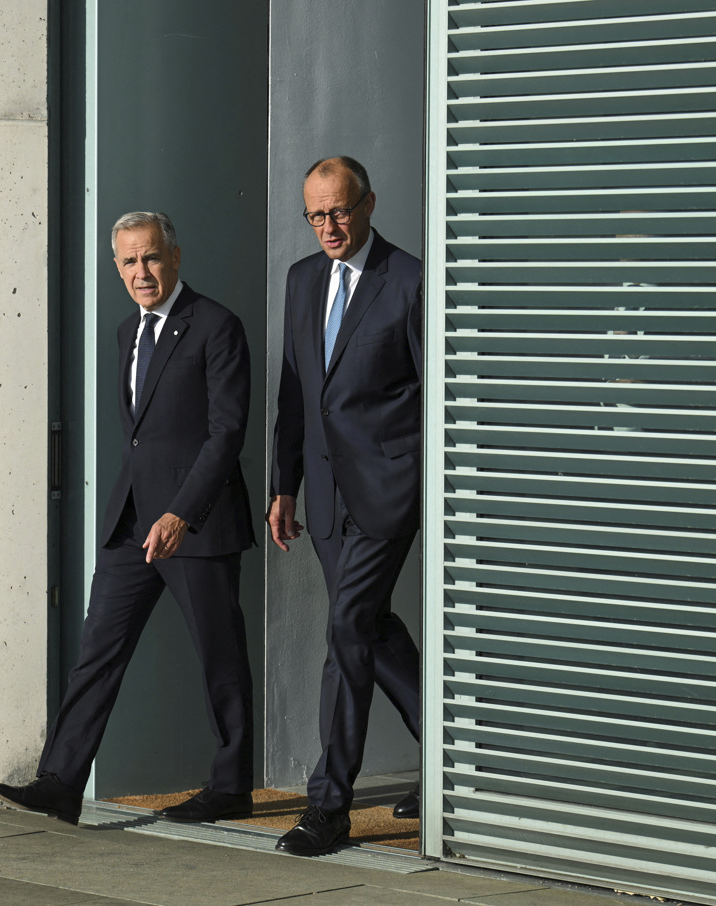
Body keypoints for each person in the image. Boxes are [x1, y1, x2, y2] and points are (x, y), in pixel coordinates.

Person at [0, 211, 256, 826]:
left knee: (220, 656)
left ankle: (231, 787)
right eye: (130, 260)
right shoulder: (125, 332)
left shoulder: (216, 325)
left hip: (195, 523)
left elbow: (226, 433)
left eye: (152, 257)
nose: (142, 271)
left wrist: (181, 512)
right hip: (131, 523)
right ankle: (60, 782)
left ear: (175, 256)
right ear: (117, 266)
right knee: (97, 652)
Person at [268, 157, 424, 856]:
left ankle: (328, 807)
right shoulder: (303, 279)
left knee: (346, 626)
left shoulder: (410, 279)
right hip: (327, 496)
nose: (328, 226)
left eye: (338, 211)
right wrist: (284, 484)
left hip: (387, 492)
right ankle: (453, 759)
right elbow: (296, 389)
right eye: (315, 215)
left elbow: (434, 393)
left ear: (368, 204)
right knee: (369, 628)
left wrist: (416, 480)